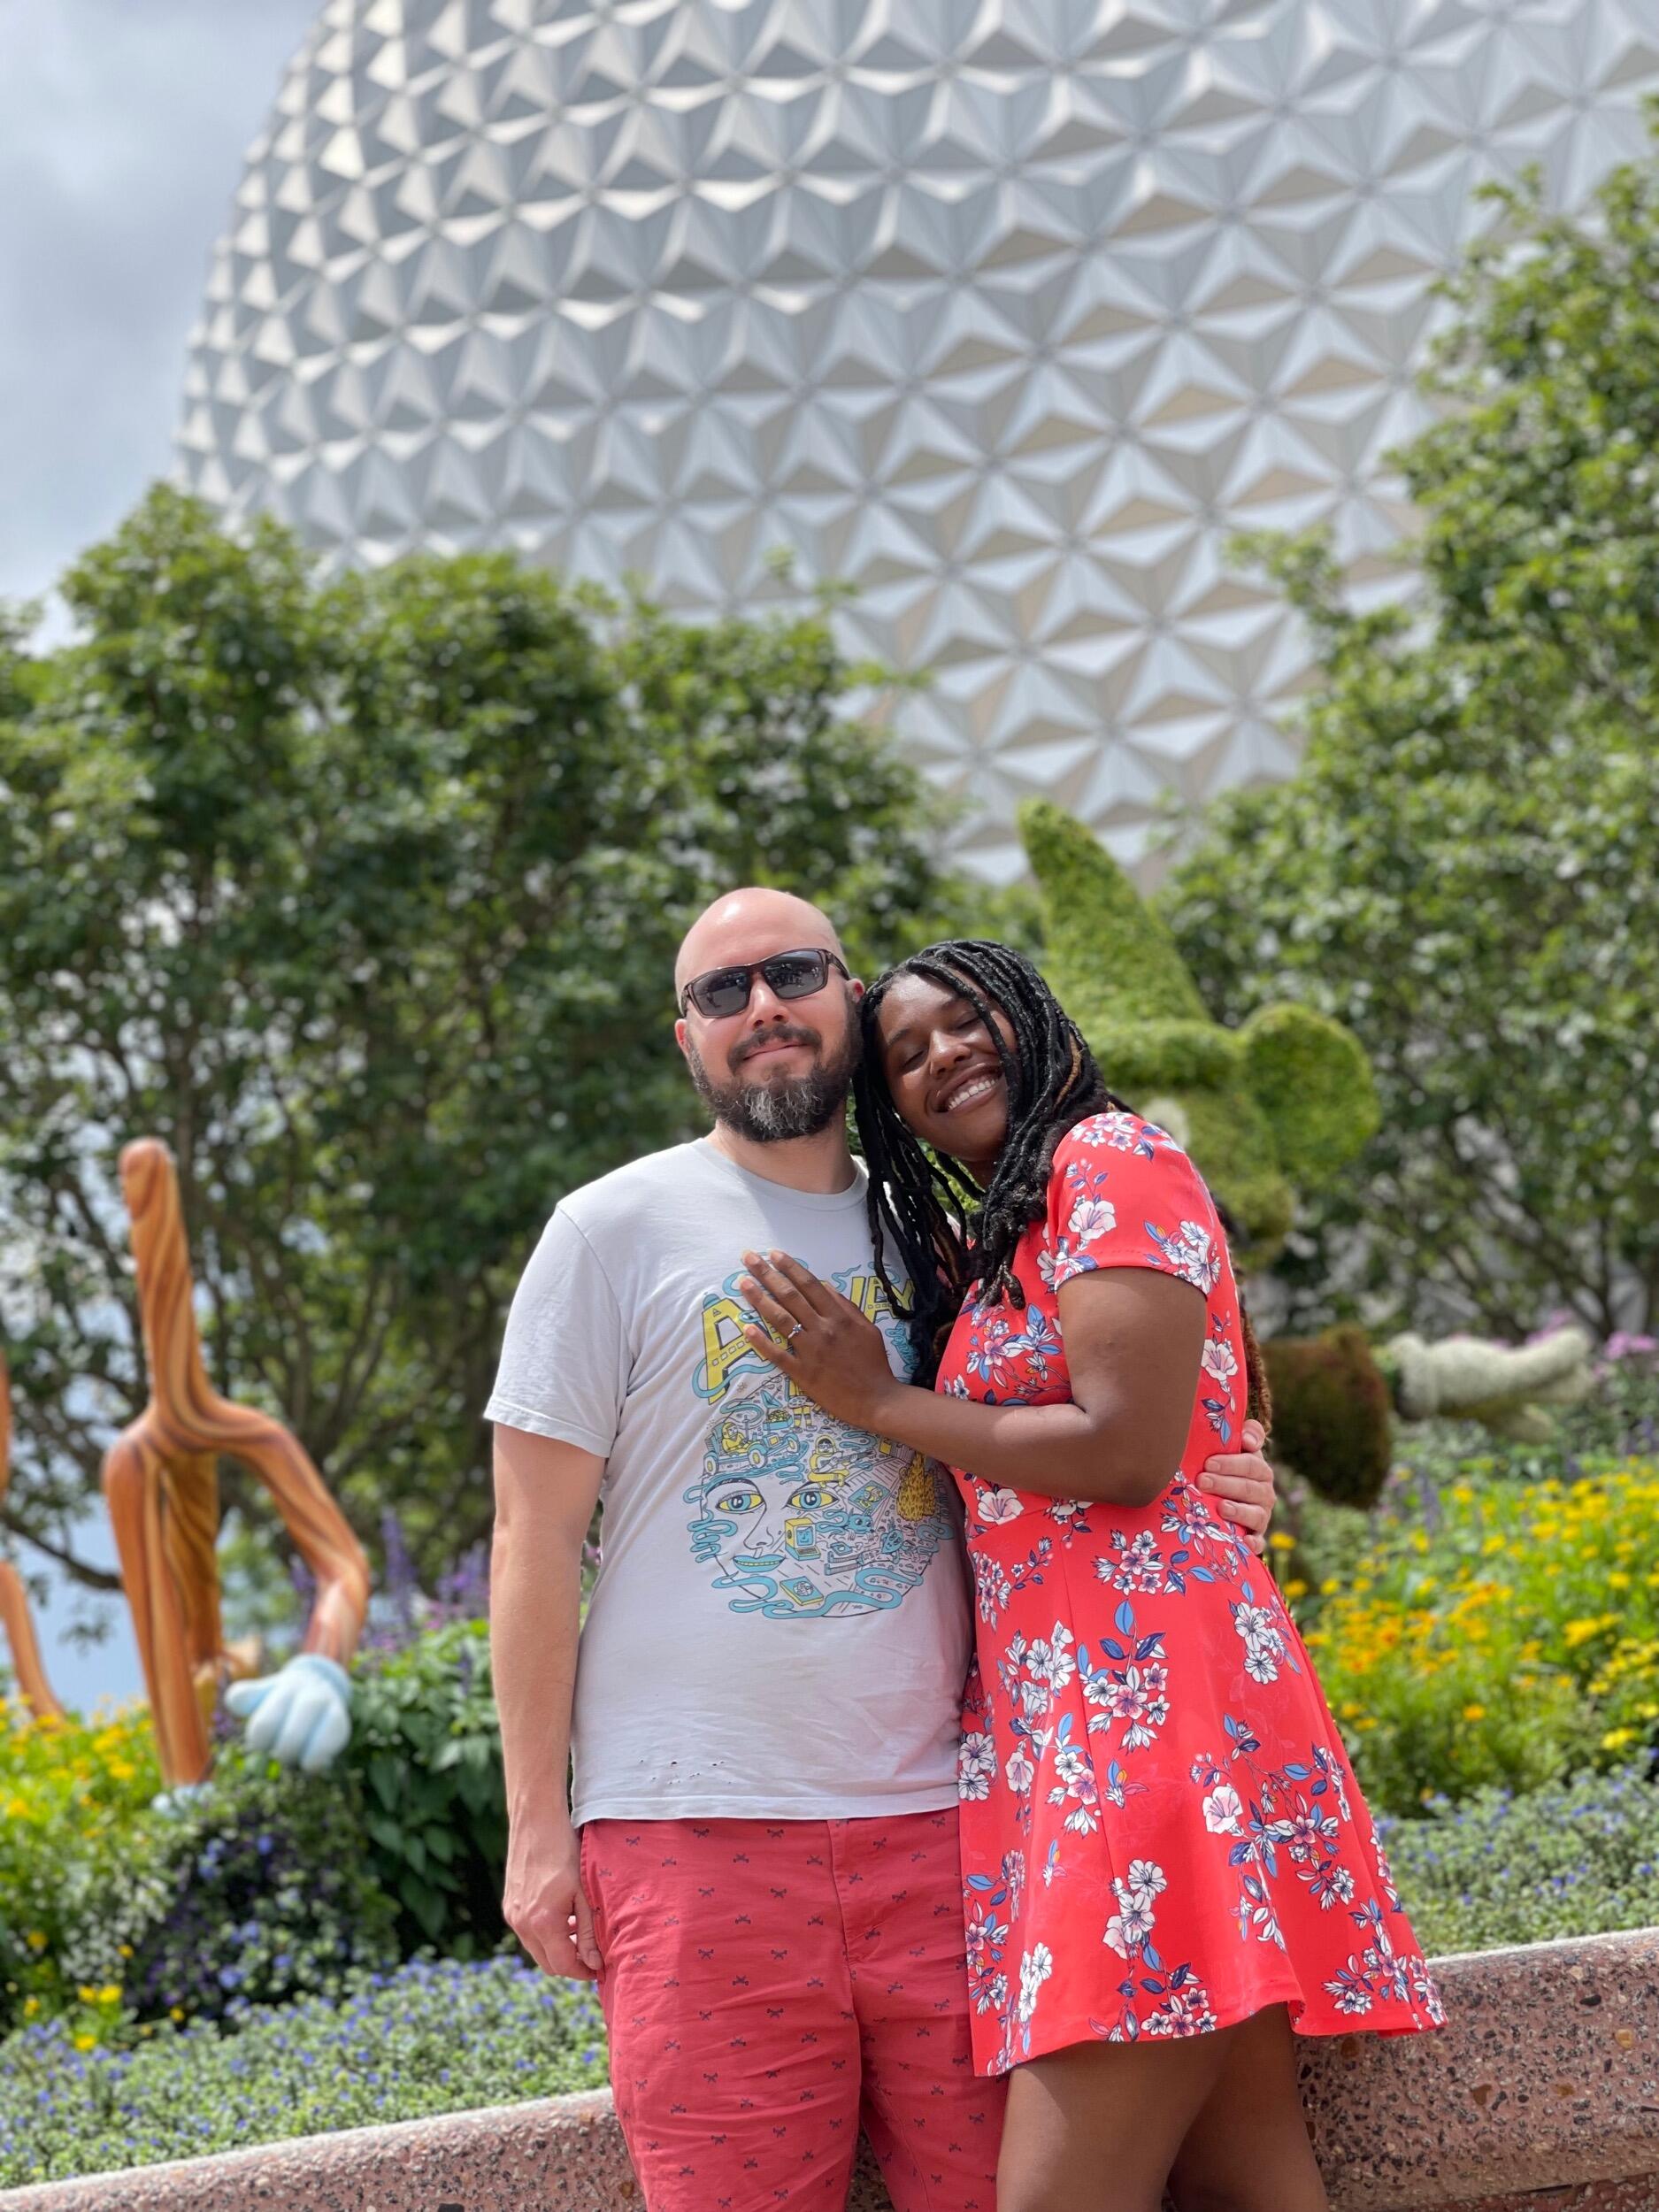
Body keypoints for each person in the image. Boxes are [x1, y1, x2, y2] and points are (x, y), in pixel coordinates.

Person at [485, 891, 1281, 2212]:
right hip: (692, 1833)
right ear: (685, 1037)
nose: (761, 1008)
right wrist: (535, 1833)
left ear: (848, 1000)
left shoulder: (949, 1239)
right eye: (722, 991)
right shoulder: (609, 1231)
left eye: (792, 973)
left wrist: (1232, 1478)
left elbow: (1092, 1423)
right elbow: (532, 1537)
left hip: (956, 1826)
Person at [733, 937, 1444, 2212]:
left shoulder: (1106, 1158)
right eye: (906, 1053)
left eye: (968, 1019)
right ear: (892, 1111)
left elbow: (1124, 1449)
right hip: (1091, 1725)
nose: (944, 1054)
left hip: (1145, 1726)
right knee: (1248, 2184)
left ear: (1035, 1018)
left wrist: (878, 1402)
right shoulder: (1010, 1226)